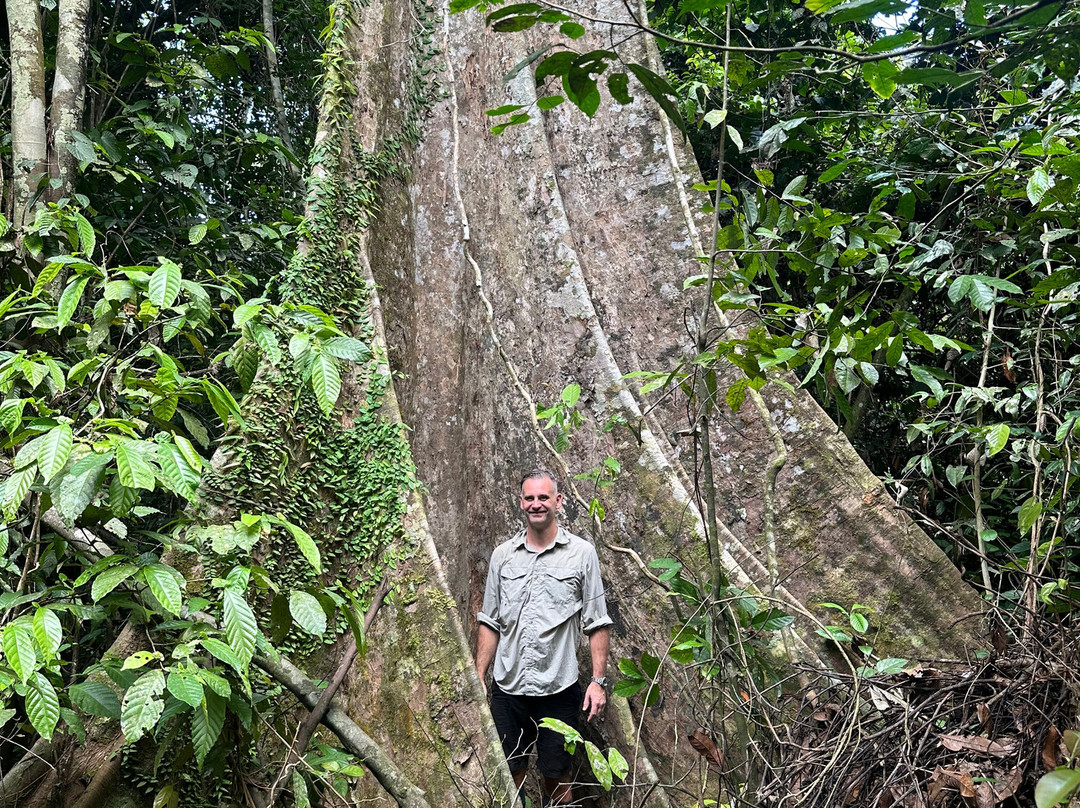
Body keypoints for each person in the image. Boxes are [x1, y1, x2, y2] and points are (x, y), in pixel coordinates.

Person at [476, 470, 613, 807]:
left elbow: (597, 622)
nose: (536, 504)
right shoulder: (503, 556)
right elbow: (490, 620)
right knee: (509, 773)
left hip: (558, 688)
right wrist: (478, 673)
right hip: (509, 688)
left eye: (543, 498)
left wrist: (597, 681)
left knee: (557, 775)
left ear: (558, 502)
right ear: (521, 503)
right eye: (529, 498)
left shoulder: (582, 554)